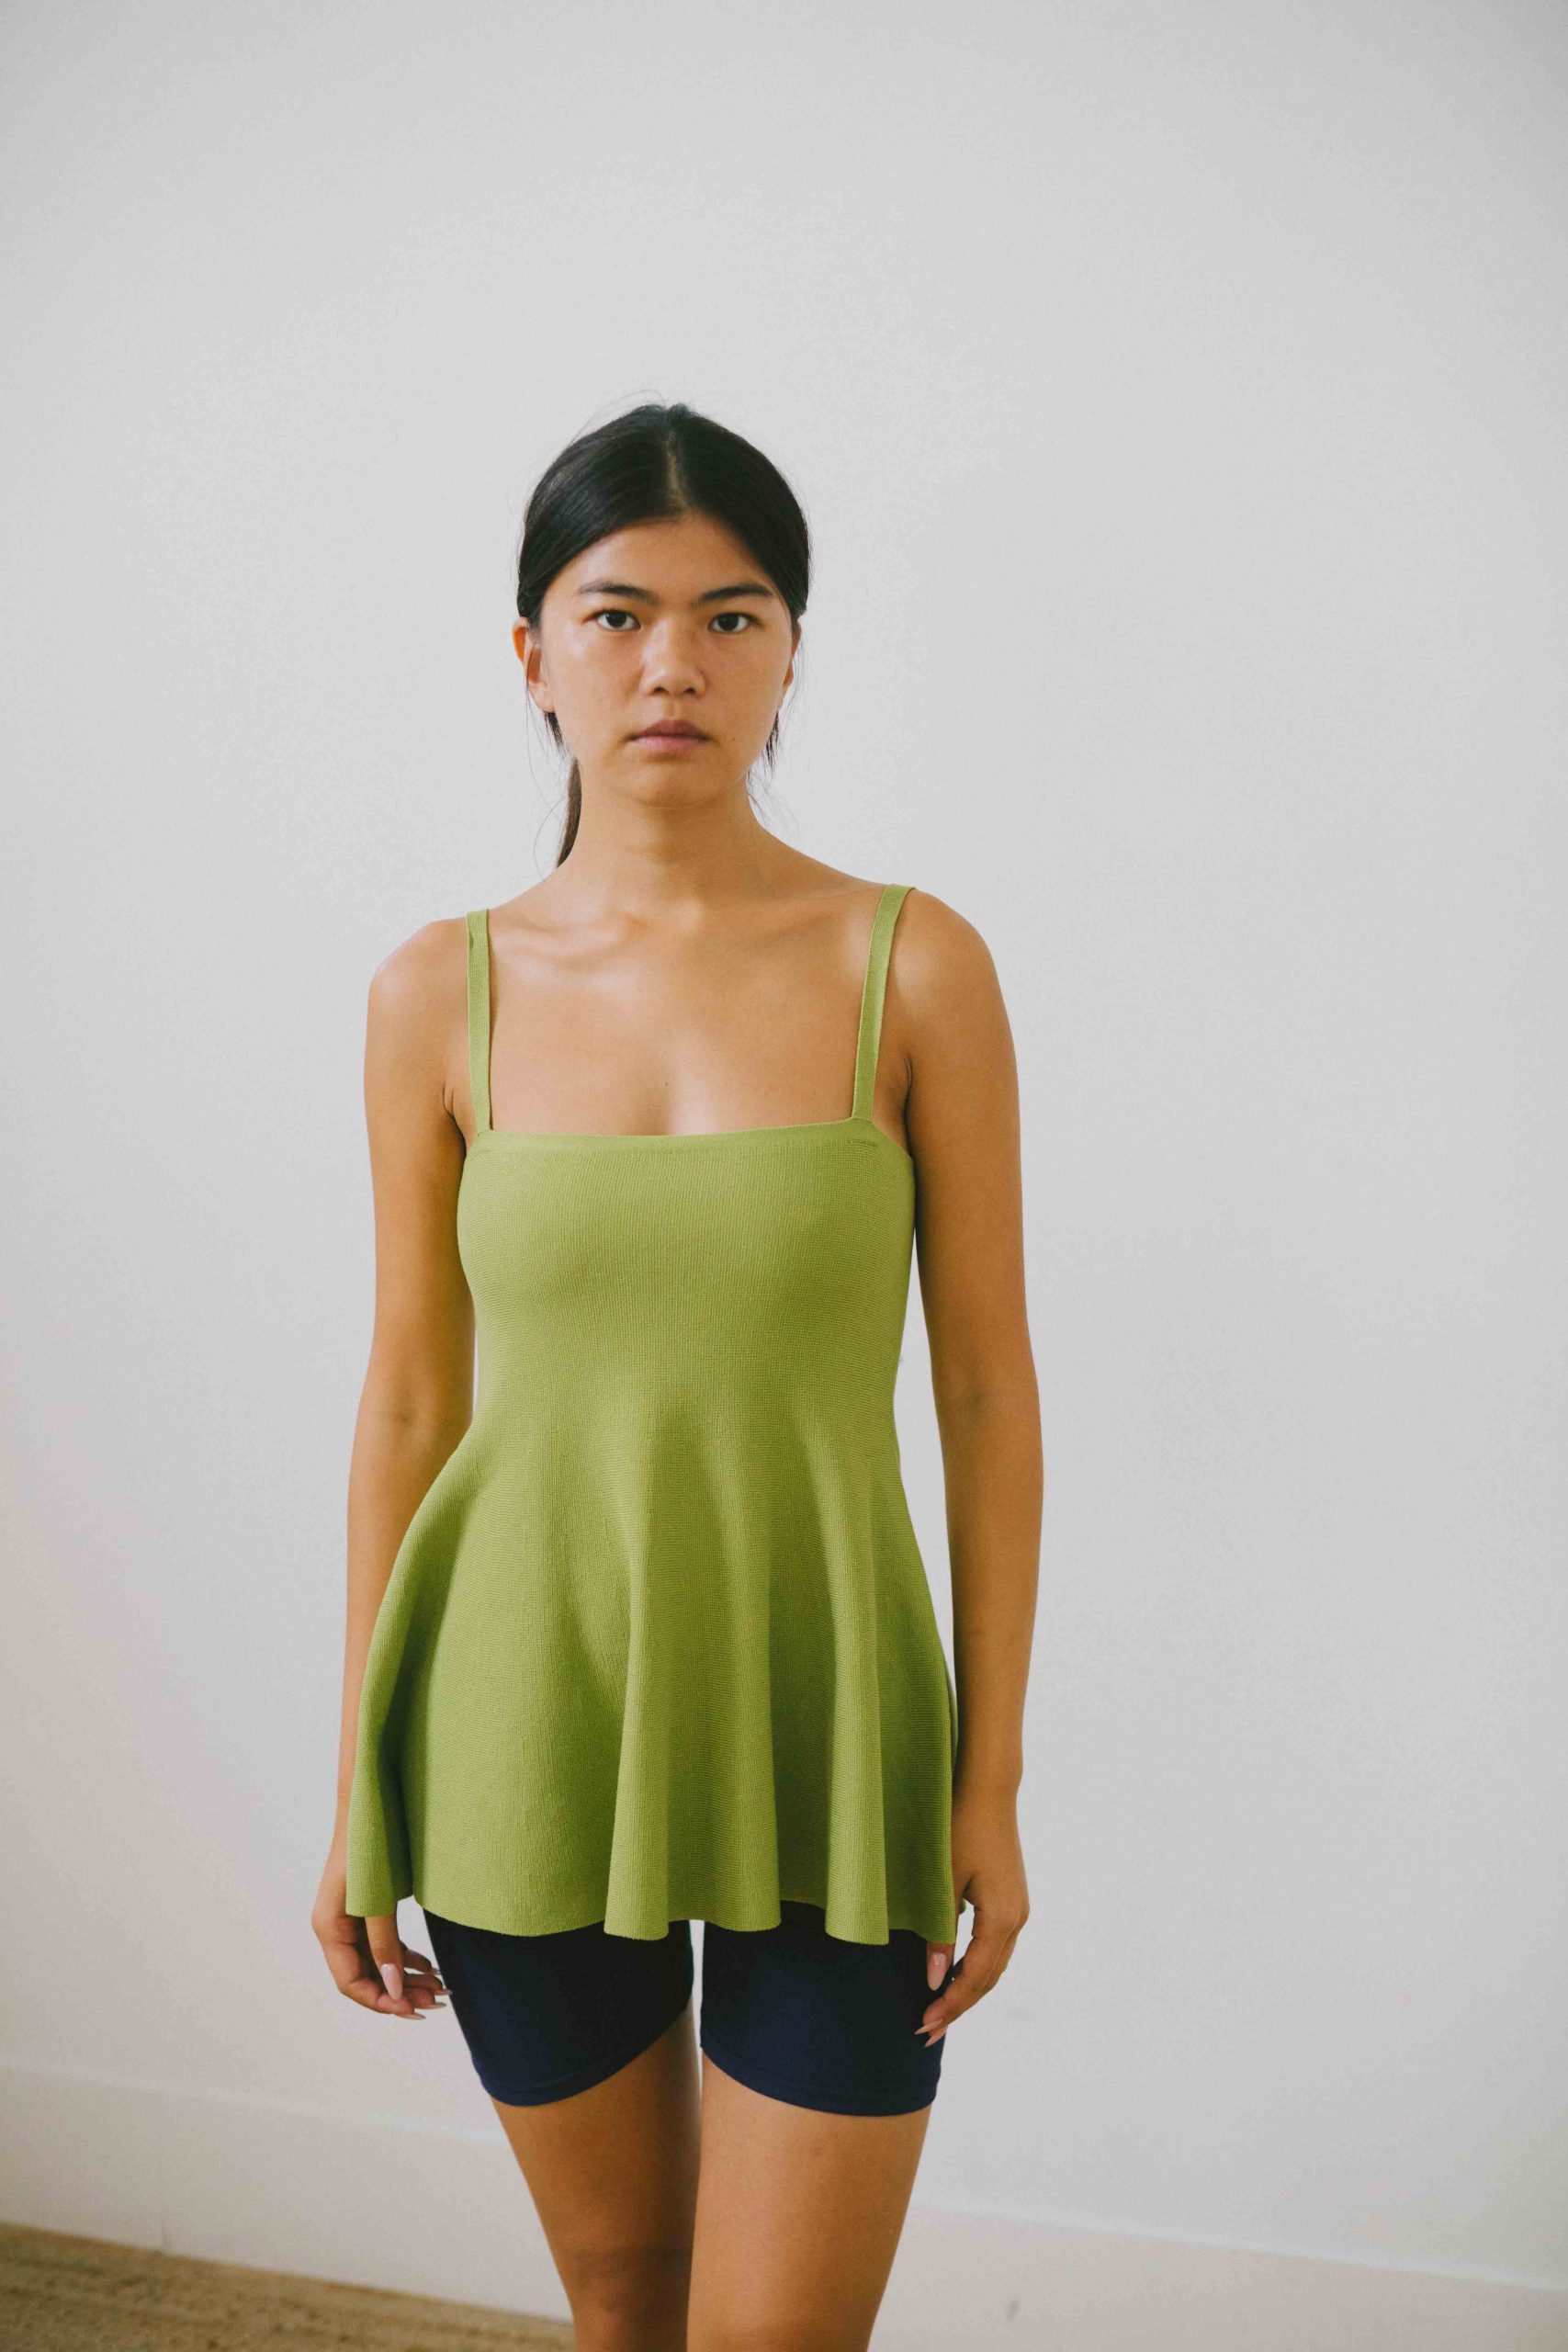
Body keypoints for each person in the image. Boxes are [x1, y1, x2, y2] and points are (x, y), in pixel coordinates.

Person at [312, 401, 1042, 2352]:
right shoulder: (435, 991)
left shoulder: (914, 965)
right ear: (531, 652)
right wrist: (358, 1782)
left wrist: (987, 1776)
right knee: (626, 2298)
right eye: (616, 612)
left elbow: (987, 1395)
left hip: (833, 1731)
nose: (671, 666)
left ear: (792, 650)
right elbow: (408, 1400)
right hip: (517, 1723)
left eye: (731, 617)